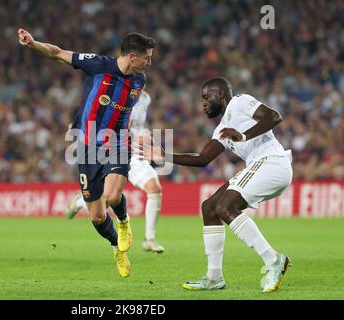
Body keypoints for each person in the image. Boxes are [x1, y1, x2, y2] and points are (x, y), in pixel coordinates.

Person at [18, 28, 155, 278]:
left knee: (113, 196)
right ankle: (117, 248)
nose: (150, 62)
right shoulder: (99, 65)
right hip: (87, 146)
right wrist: (34, 44)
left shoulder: (139, 80)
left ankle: (124, 222)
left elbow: (116, 110)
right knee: (96, 216)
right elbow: (57, 53)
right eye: (147, 57)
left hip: (117, 142)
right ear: (132, 56)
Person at [137, 77, 293, 293]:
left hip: (271, 162)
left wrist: (244, 135)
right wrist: (164, 156)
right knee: (210, 207)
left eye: (206, 97)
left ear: (220, 94)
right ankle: (214, 278)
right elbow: (202, 159)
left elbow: (274, 117)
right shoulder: (221, 129)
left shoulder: (240, 102)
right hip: (261, 166)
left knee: (226, 207)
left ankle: (274, 260)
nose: (203, 103)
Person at [66, 90, 164, 253]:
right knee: (108, 199)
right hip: (115, 148)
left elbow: (138, 126)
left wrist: (145, 135)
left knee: (155, 189)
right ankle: (81, 202)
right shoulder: (115, 94)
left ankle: (149, 239)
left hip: (135, 153)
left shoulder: (145, 98)